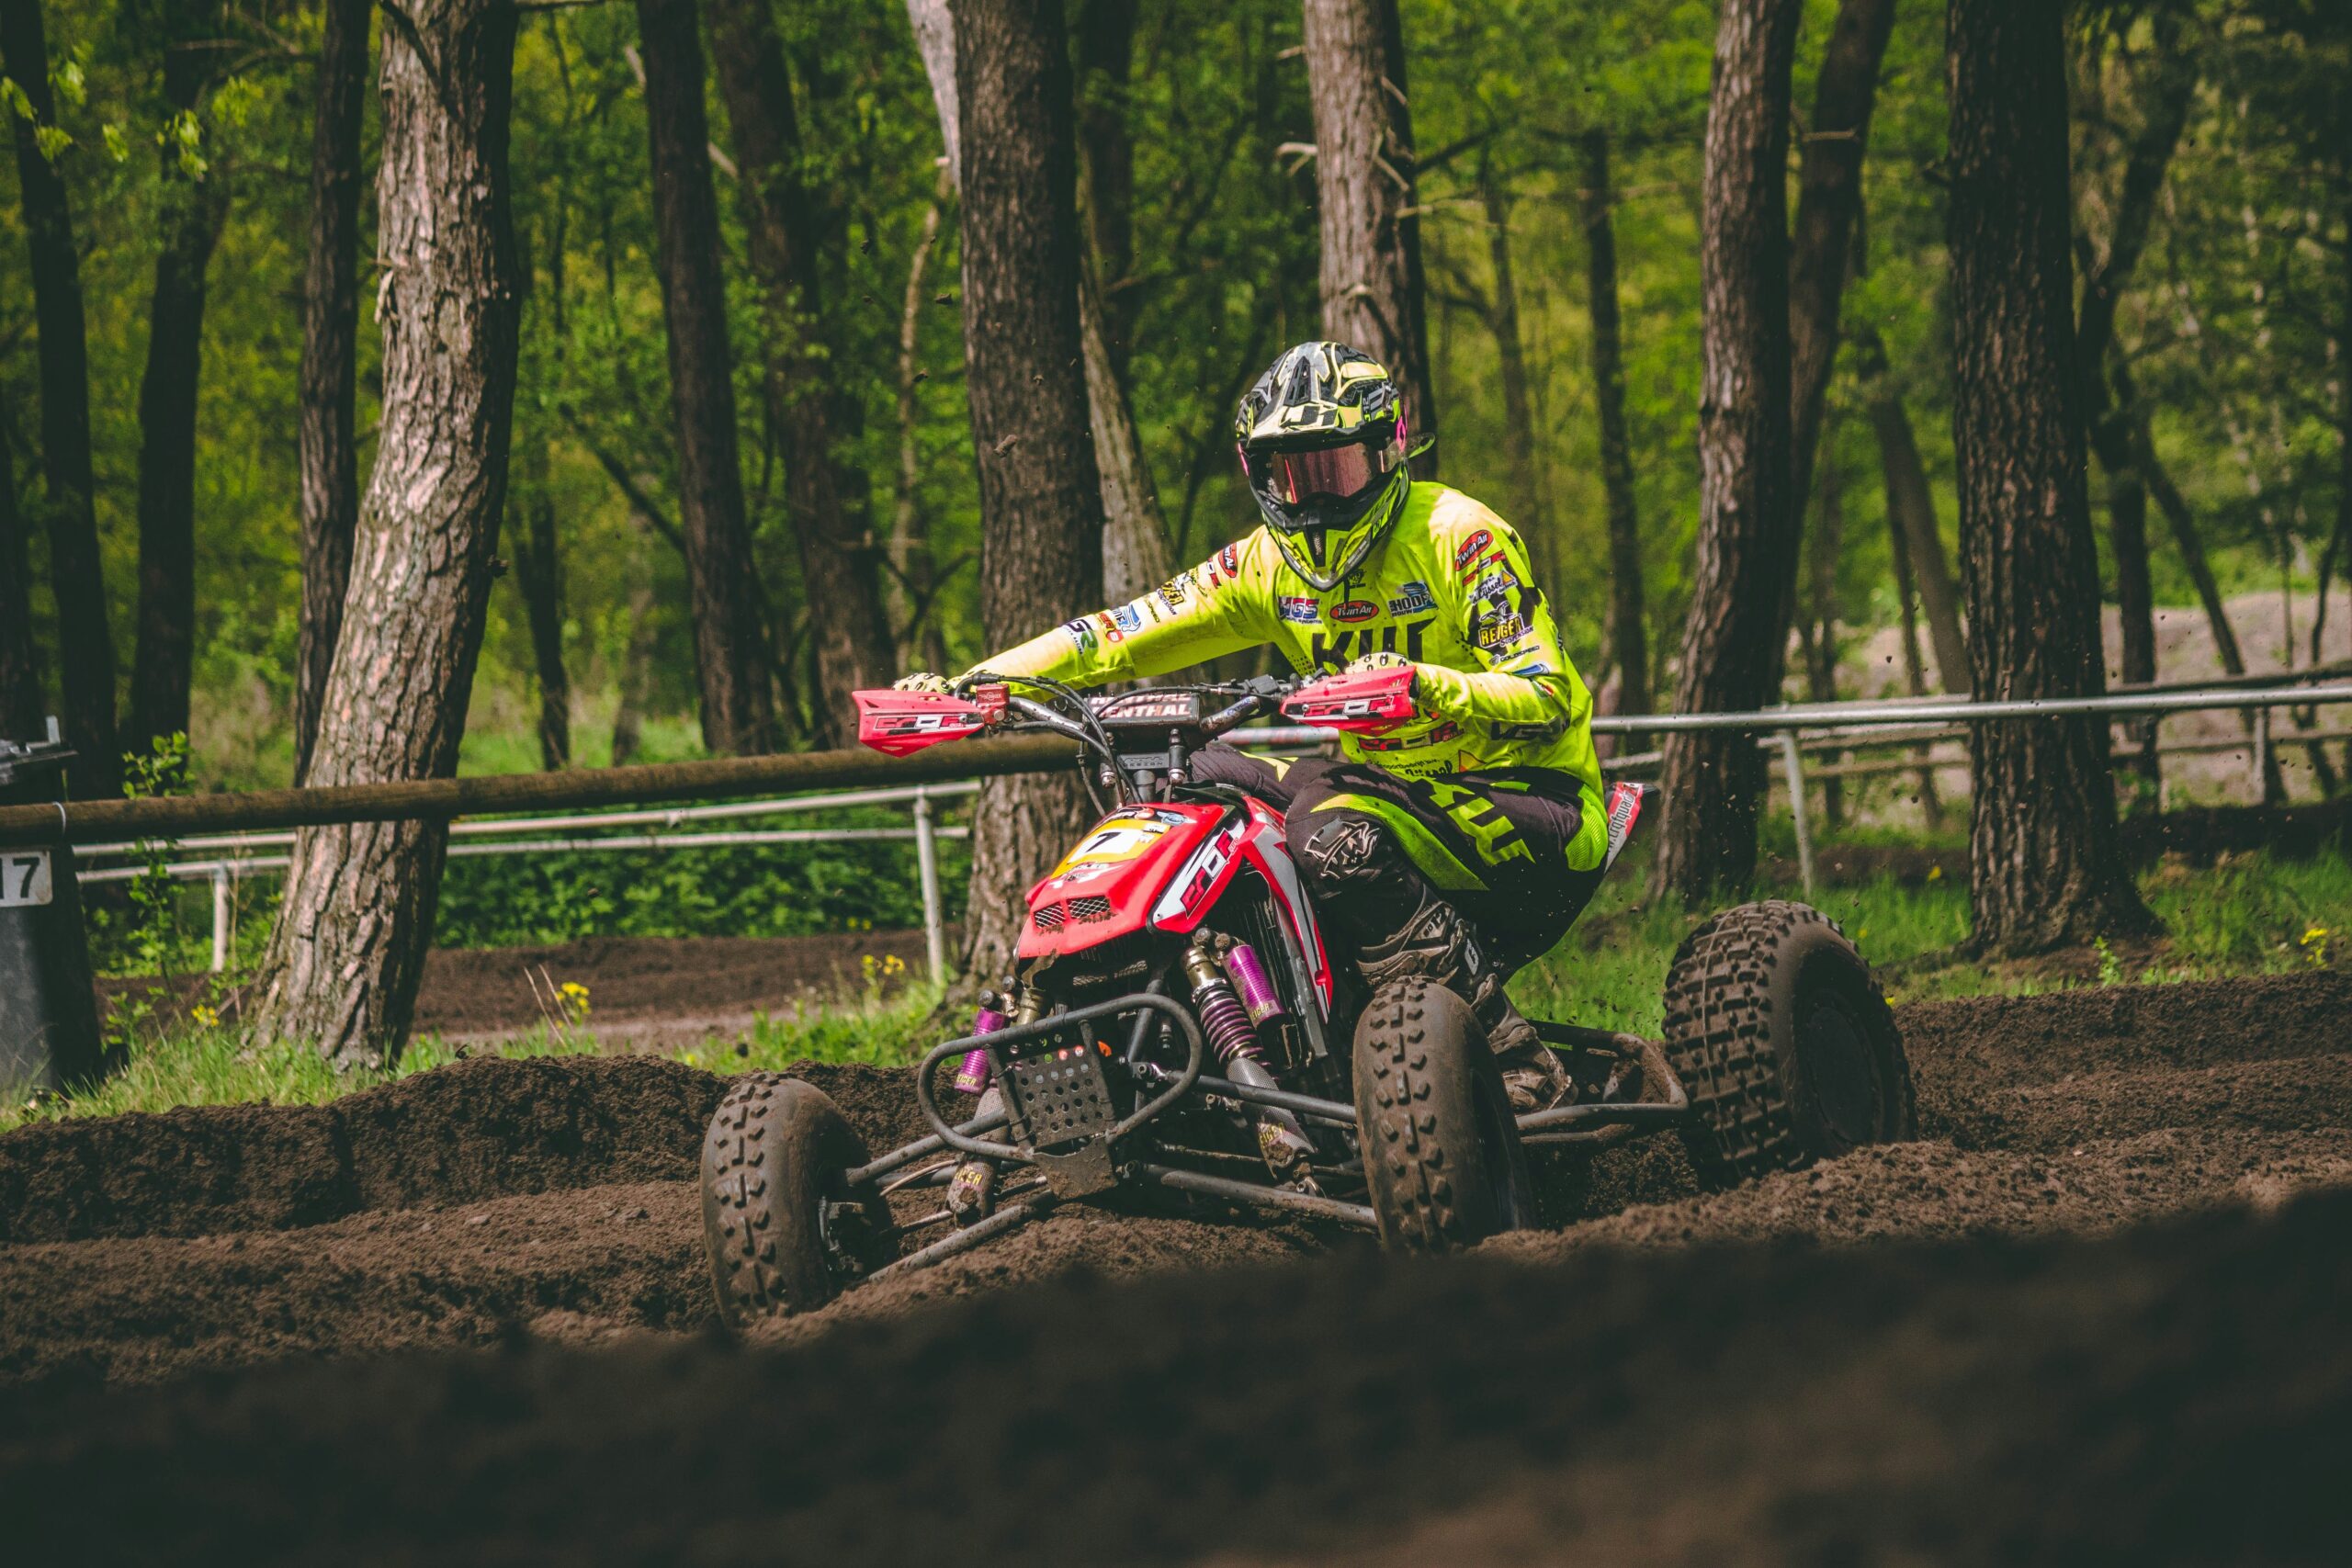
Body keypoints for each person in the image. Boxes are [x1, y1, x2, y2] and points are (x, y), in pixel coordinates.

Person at [903, 341, 1606, 1113]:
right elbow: (1116, 632)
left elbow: (1546, 695)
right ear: (1259, 473)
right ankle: (1241, 1031)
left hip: (1530, 800)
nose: (1315, 498)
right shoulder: (1266, 563)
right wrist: (980, 682)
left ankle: (1513, 1057)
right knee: (1180, 784)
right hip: (1389, 794)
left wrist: (1419, 686)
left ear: (1386, 449)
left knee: (1330, 831)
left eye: (1335, 468)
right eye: (1291, 474)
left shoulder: (1458, 534)